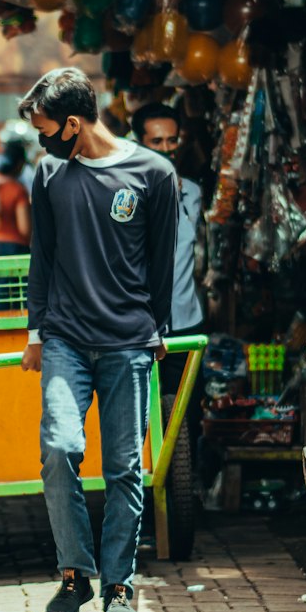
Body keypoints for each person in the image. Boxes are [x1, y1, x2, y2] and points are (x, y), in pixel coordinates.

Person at [19, 67, 178, 612]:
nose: (40, 141)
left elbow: (164, 262)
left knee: (124, 468)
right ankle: (73, 576)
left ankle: (119, 585)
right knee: (59, 448)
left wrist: (158, 328)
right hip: (64, 338)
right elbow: (43, 256)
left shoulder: (154, 173)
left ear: (73, 123)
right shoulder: (48, 173)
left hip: (128, 343)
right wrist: (36, 333)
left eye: (45, 130)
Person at [131, 101, 204, 393]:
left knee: (186, 410)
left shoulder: (193, 194)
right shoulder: (127, 196)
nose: (166, 148)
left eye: (172, 140)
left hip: (187, 321)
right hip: (141, 324)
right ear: (141, 144)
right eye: (156, 141)